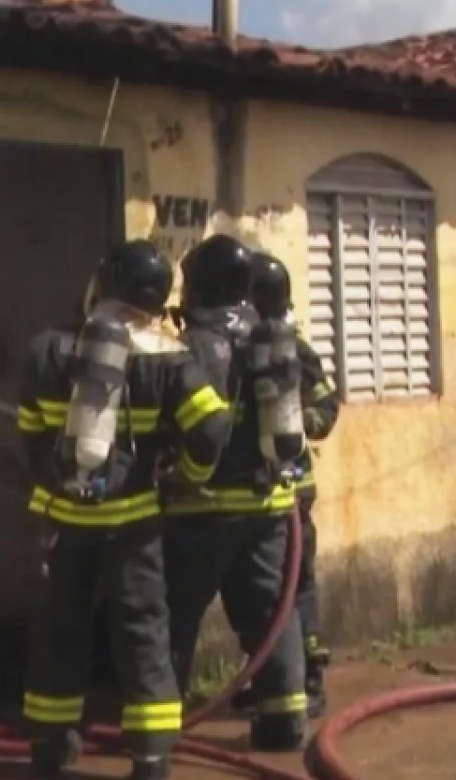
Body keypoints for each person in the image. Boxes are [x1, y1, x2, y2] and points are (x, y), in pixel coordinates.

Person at [16, 239, 230, 780]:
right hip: (134, 525)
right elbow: (210, 428)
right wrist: (188, 477)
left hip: (64, 524)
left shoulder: (45, 351)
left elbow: (31, 435)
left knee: (60, 631)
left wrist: (58, 482)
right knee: (142, 634)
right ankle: (152, 760)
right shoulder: (169, 359)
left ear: (102, 284)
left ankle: (51, 750)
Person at [162, 234, 309, 752]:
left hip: (200, 508)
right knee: (271, 614)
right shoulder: (268, 336)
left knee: (173, 615)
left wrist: (185, 474)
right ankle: (284, 720)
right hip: (267, 505)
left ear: (200, 285)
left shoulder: (193, 344)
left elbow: (197, 426)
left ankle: (160, 728)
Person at [231, 251, 341, 718]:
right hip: (257, 488)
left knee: (297, 586)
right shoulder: (241, 345)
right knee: (261, 592)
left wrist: (295, 425)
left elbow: (327, 409)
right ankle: (268, 677)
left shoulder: (294, 349)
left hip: (293, 487)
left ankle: (310, 679)